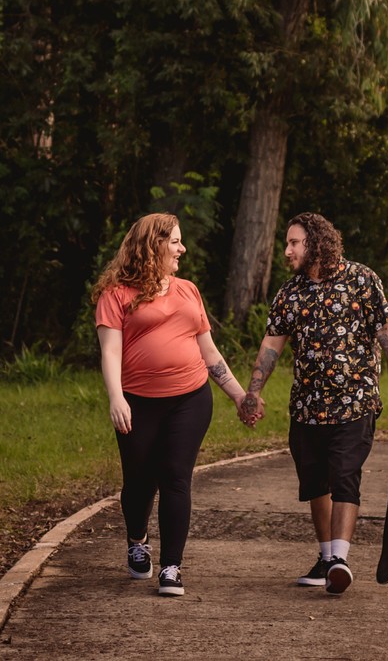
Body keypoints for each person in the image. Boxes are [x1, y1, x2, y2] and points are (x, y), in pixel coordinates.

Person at [239, 212, 388, 595]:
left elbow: (385, 331)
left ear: (316, 243)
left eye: (293, 243)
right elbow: (272, 345)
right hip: (306, 407)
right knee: (315, 483)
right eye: (286, 243)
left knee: (344, 475)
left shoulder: (362, 280)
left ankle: (340, 557)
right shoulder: (290, 292)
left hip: (354, 403)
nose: (286, 251)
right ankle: (326, 559)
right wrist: (254, 391)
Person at [93, 213, 249, 597]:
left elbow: (208, 351)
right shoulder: (115, 295)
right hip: (138, 402)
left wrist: (240, 396)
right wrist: (117, 397)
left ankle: (171, 567)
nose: (182, 249)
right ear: (153, 245)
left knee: (176, 476)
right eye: (175, 242)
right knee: (139, 482)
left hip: (190, 398)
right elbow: (110, 352)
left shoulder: (188, 290)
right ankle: (137, 539)